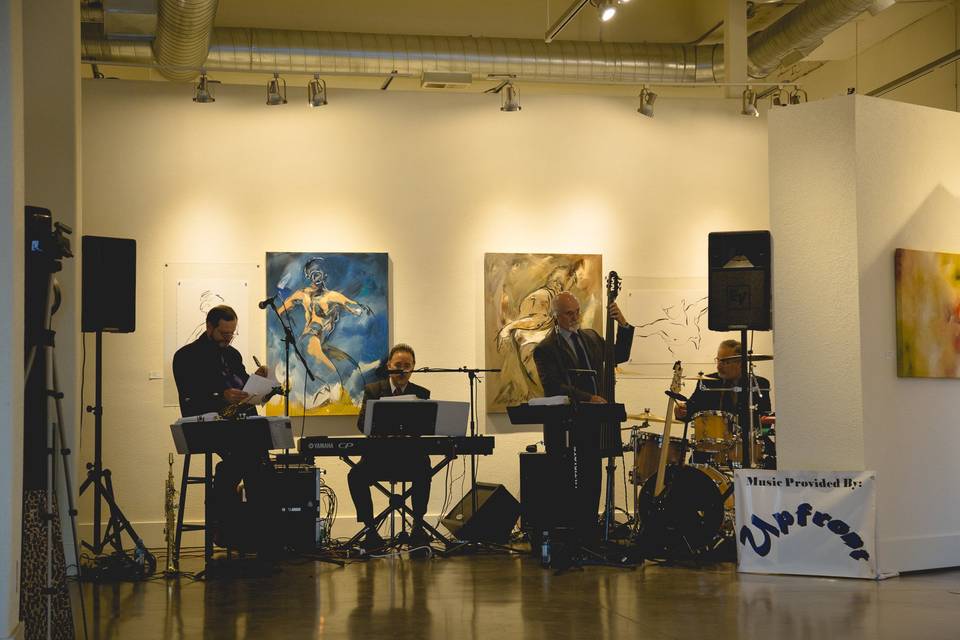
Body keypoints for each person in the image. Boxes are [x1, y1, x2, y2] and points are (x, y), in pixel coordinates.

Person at [172, 305, 277, 554]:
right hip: (204, 424)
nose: (227, 339)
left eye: (232, 334)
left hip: (235, 425)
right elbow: (189, 398)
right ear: (209, 327)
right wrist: (221, 396)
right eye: (223, 333)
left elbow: (243, 387)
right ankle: (232, 531)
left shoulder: (232, 355)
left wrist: (259, 382)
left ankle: (253, 533)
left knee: (261, 461)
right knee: (250, 459)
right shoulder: (186, 356)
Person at [532, 291, 634, 541]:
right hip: (564, 425)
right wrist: (588, 397)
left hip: (591, 423)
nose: (575, 316)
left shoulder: (590, 337)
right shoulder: (546, 348)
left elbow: (618, 355)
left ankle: (589, 532)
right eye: (569, 313)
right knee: (565, 479)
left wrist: (624, 325)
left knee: (592, 476)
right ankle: (568, 536)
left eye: (577, 311)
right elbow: (554, 385)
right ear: (556, 317)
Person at [347, 343, 432, 551]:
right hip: (378, 458)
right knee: (355, 476)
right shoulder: (373, 390)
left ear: (413, 367)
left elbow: (425, 426)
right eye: (398, 364)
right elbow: (361, 424)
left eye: (407, 365)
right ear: (388, 366)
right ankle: (370, 530)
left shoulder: (421, 393)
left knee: (424, 467)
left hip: (410, 459)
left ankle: (418, 526)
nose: (402, 369)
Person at [675, 339, 772, 420]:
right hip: (714, 440)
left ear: (740, 363)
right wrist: (682, 410)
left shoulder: (758, 384)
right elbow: (692, 409)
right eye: (718, 360)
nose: (718, 367)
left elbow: (764, 420)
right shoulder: (707, 382)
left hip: (749, 440)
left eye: (725, 362)